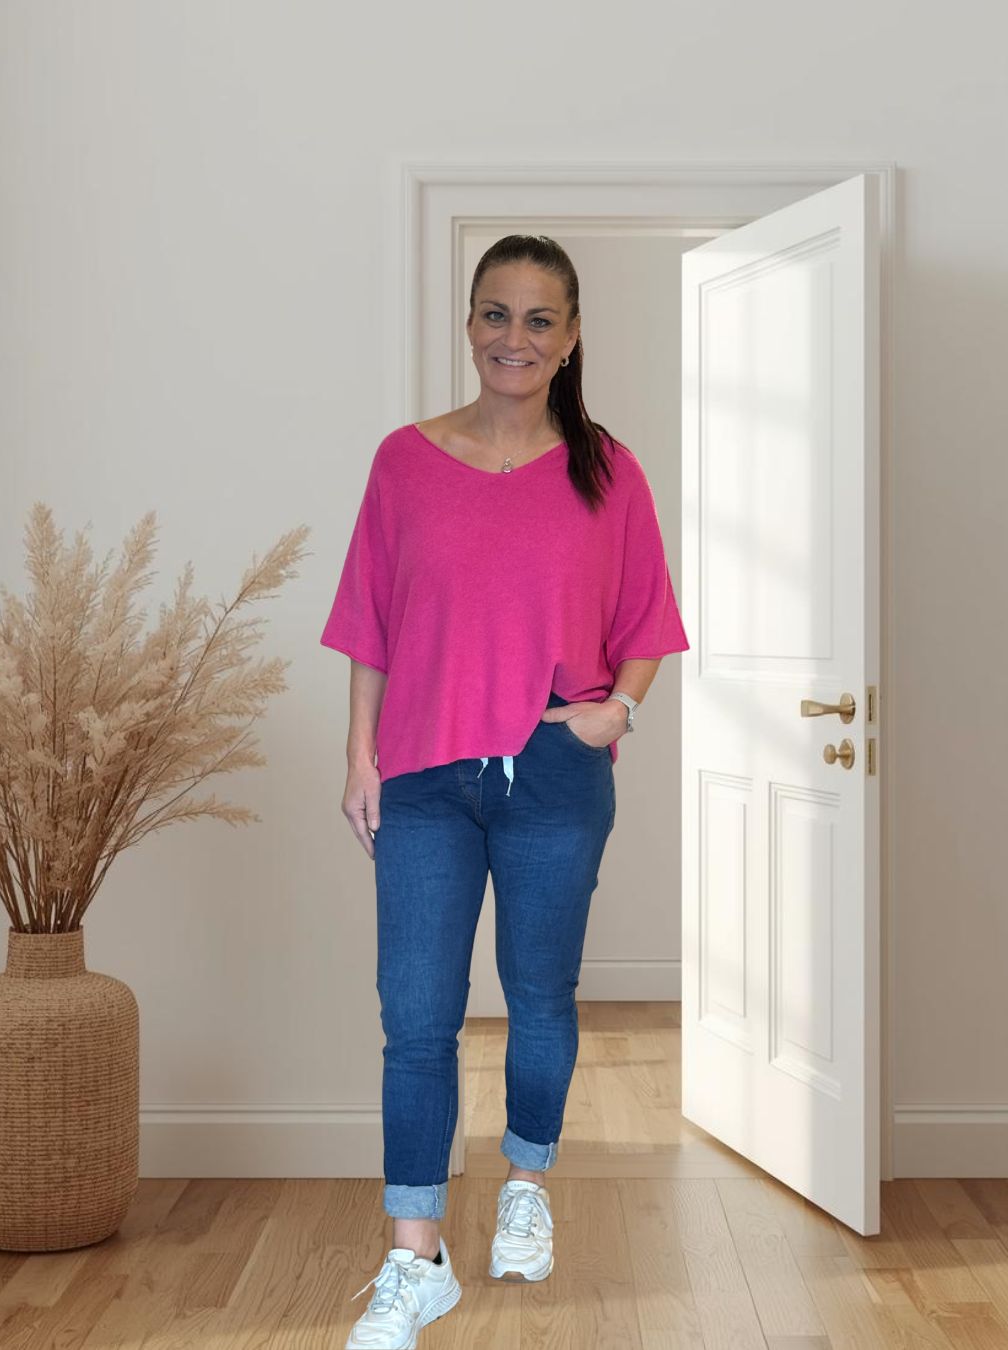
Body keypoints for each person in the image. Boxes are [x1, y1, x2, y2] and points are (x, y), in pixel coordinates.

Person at [321, 234, 690, 1349]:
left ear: (570, 338)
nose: (514, 338)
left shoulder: (607, 472)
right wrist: (360, 754)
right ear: (470, 322)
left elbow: (650, 620)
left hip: (555, 772)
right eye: (496, 314)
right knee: (416, 1019)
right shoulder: (404, 461)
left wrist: (620, 711)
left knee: (538, 996)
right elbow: (370, 622)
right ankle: (416, 1261)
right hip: (425, 774)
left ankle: (527, 1182)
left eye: (539, 320)